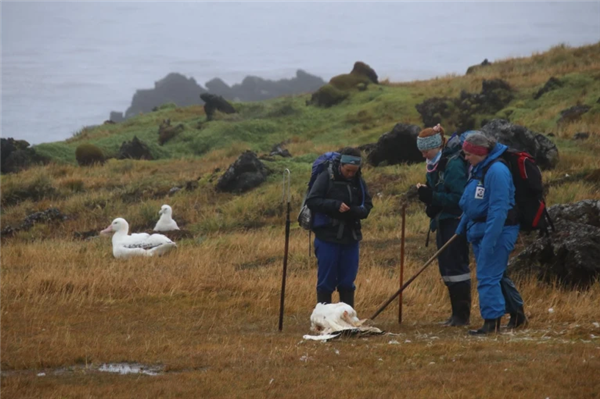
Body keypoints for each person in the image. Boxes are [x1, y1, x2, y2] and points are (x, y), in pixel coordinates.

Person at [456, 132, 527, 335]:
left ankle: (491, 322)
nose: (466, 157)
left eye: (468, 154)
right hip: (480, 230)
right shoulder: (479, 168)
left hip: (498, 231)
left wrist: (490, 240)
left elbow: (498, 209)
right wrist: (462, 225)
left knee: (487, 276)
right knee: (497, 275)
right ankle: (517, 313)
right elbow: (475, 203)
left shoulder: (497, 171)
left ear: (479, 152)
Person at [415, 124, 471, 326]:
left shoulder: (453, 165)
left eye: (426, 150)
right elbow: (439, 193)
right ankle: (456, 315)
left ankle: (462, 315)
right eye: (421, 151)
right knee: (447, 269)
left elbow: (460, 198)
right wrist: (430, 203)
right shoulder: (434, 164)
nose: (423, 155)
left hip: (455, 223)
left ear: (436, 146)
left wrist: (433, 197)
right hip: (442, 221)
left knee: (456, 267)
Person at [305, 147, 373, 308]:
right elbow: (312, 201)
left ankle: (346, 319)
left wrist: (357, 211)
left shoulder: (358, 180)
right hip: (327, 236)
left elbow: (368, 204)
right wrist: (335, 205)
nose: (351, 174)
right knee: (326, 281)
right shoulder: (325, 177)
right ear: (341, 165)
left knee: (347, 280)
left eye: (354, 171)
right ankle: (323, 320)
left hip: (351, 236)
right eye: (348, 170)